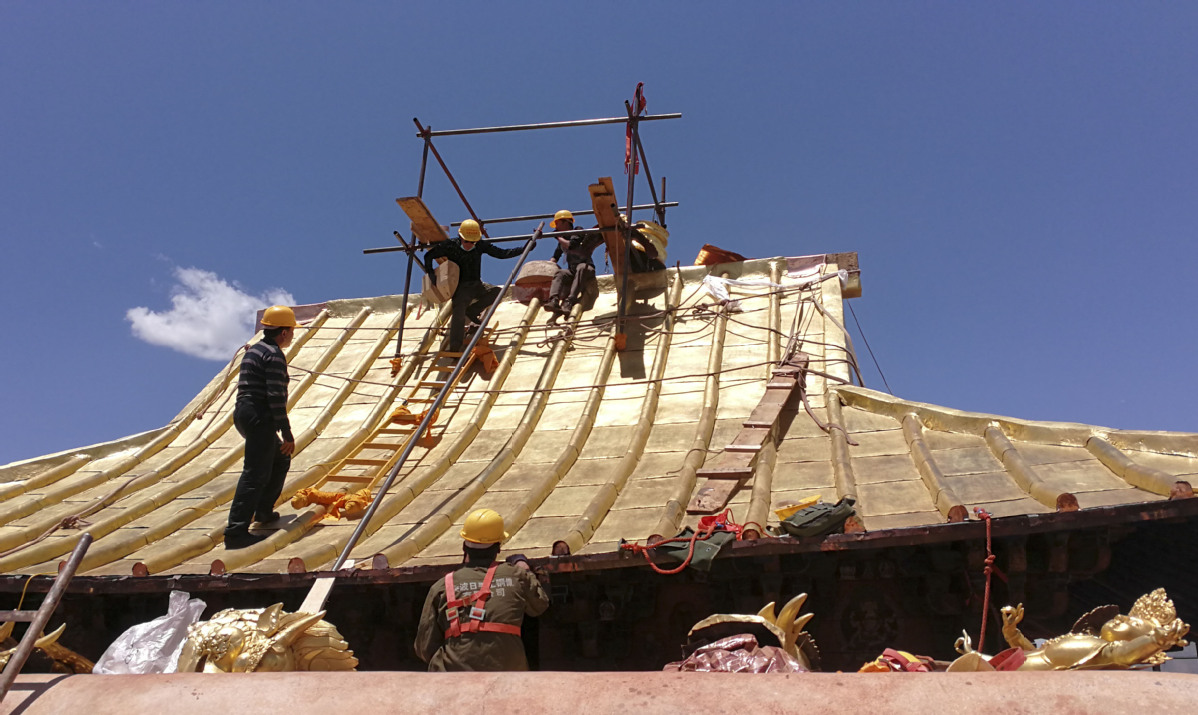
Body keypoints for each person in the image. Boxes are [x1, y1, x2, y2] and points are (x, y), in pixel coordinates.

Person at [415, 509, 549, 671]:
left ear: (465, 546)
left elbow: (424, 647)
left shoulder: (443, 586)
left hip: (454, 678)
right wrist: (525, 568)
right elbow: (539, 605)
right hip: (509, 674)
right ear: (498, 547)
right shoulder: (516, 576)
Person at [224, 305, 298, 550]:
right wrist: (286, 433)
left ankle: (264, 510)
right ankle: (236, 532)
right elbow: (276, 396)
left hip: (243, 413)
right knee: (255, 473)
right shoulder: (274, 355)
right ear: (284, 332)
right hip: (259, 416)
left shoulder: (256, 349)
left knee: (279, 459)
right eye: (292, 331)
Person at [424, 219, 524, 352]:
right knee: (458, 312)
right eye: (467, 241)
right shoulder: (450, 246)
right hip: (460, 287)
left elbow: (501, 254)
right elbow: (428, 256)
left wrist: (523, 249)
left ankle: (473, 311)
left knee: (498, 292)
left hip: (476, 284)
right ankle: (454, 347)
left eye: (473, 242)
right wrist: (431, 273)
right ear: (460, 237)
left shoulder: (480, 245)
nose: (470, 244)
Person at [546, 209, 604, 324]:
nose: (556, 227)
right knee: (560, 273)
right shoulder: (561, 241)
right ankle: (554, 300)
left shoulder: (577, 231)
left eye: (557, 223)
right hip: (572, 271)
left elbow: (571, 246)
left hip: (586, 269)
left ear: (565, 222)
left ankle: (570, 301)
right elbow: (555, 257)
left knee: (581, 267)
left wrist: (557, 237)